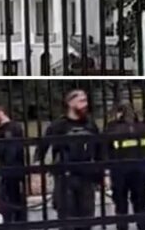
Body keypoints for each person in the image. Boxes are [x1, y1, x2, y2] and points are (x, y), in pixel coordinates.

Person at [33, 89, 103, 230]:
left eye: (86, 100)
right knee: (67, 221)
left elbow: (99, 150)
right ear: (70, 103)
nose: (85, 104)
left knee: (87, 220)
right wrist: (36, 173)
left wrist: (102, 174)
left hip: (86, 178)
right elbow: (41, 148)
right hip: (65, 178)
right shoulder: (58, 125)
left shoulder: (90, 124)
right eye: (81, 101)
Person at [104, 104, 145, 230]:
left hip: (120, 172)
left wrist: (105, 173)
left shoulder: (112, 128)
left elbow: (105, 151)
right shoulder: (143, 127)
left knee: (121, 209)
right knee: (141, 208)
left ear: (119, 114)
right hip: (140, 172)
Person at [0, 105, 27, 223]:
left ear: (1, 113)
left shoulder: (11, 128)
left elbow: (11, 150)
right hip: (7, 171)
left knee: (13, 203)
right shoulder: (1, 129)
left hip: (12, 171)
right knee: (8, 204)